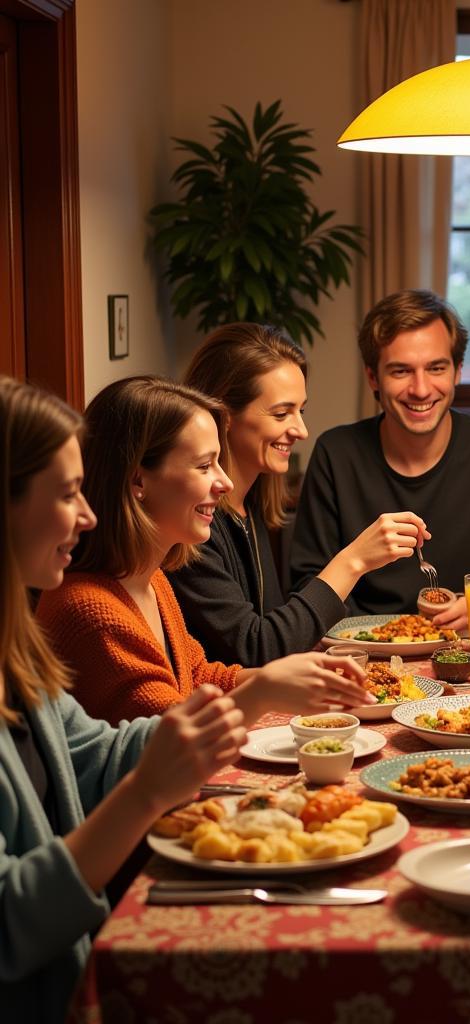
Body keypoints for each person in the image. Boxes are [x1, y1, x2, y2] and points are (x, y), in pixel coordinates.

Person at [0, 376, 247, 1023]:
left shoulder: (16, 655)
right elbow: (10, 923)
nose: (87, 516)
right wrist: (146, 792)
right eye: (66, 494)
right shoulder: (81, 606)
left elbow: (100, 750)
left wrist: (256, 694)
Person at [36, 376, 373, 725]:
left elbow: (196, 677)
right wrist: (265, 687)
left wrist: (293, 672)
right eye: (204, 465)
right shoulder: (91, 610)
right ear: (138, 481)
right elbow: (173, 734)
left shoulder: (151, 579)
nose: (225, 482)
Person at [289, 289, 470, 624]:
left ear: (458, 371)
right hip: (366, 656)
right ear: (372, 377)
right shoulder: (336, 454)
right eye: (401, 371)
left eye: (436, 368)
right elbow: (309, 586)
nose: (421, 389)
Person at [168, 323, 428, 665]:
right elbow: (257, 649)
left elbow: (279, 631)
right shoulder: (190, 523)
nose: (301, 430)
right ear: (224, 416)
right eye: (281, 413)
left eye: (300, 411)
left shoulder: (250, 505)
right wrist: (353, 561)